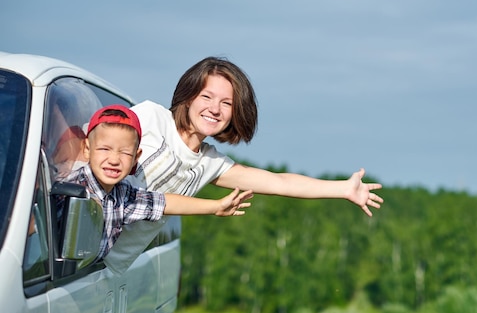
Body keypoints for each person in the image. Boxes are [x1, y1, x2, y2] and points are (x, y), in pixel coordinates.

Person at [104, 56, 384, 274]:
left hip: (105, 269)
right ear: (188, 97)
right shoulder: (150, 118)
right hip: (77, 253)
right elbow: (91, 144)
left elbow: (279, 182)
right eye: (207, 97)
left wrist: (343, 189)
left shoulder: (210, 163)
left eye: (227, 103)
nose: (215, 109)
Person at [59, 105, 253, 261]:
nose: (114, 159)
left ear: (136, 157)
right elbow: (35, 219)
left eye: (125, 153)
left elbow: (166, 203)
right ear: (86, 149)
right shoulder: (72, 188)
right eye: (104, 149)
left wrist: (217, 206)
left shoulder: (124, 196)